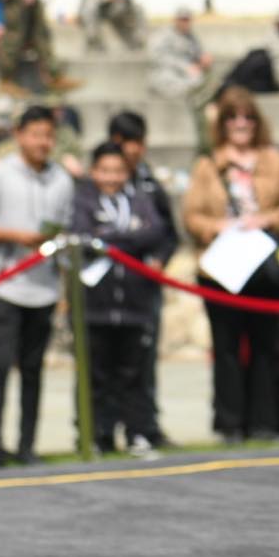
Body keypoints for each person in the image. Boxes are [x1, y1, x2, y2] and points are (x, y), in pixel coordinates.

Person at [183, 86, 279, 443]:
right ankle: (229, 422)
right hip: (223, 268)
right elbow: (191, 216)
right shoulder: (207, 165)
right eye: (233, 117)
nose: (240, 123)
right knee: (227, 348)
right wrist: (216, 227)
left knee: (266, 346)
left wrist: (264, 219)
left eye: (247, 116)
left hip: (263, 267)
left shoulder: (274, 162)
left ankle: (265, 420)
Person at [0, 104, 74, 466]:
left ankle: (27, 444)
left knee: (33, 370)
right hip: (3, 286)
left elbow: (65, 234)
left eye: (48, 135)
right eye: (35, 134)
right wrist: (16, 236)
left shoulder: (62, 179)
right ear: (19, 135)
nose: (42, 142)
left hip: (43, 289)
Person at [70, 142, 167, 456]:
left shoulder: (139, 200)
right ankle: (97, 433)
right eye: (105, 170)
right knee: (96, 374)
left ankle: (138, 431)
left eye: (118, 171)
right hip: (96, 304)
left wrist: (109, 237)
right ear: (94, 171)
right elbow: (83, 237)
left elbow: (156, 232)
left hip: (134, 304)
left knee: (134, 373)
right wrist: (129, 238)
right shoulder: (83, 200)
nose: (111, 177)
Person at [108, 110, 178, 447]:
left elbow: (168, 232)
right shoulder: (99, 180)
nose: (134, 151)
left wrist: (160, 260)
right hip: (106, 288)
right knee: (106, 363)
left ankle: (144, 426)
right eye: (126, 143)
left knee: (143, 360)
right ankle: (103, 431)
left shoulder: (149, 184)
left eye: (139, 142)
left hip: (142, 286)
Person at [148, 6, 216, 104]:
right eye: (182, 19)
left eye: (187, 20)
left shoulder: (191, 37)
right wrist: (186, 67)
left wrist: (203, 58)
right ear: (176, 20)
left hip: (186, 74)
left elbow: (198, 53)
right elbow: (159, 57)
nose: (185, 22)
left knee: (200, 80)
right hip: (166, 73)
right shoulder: (164, 35)